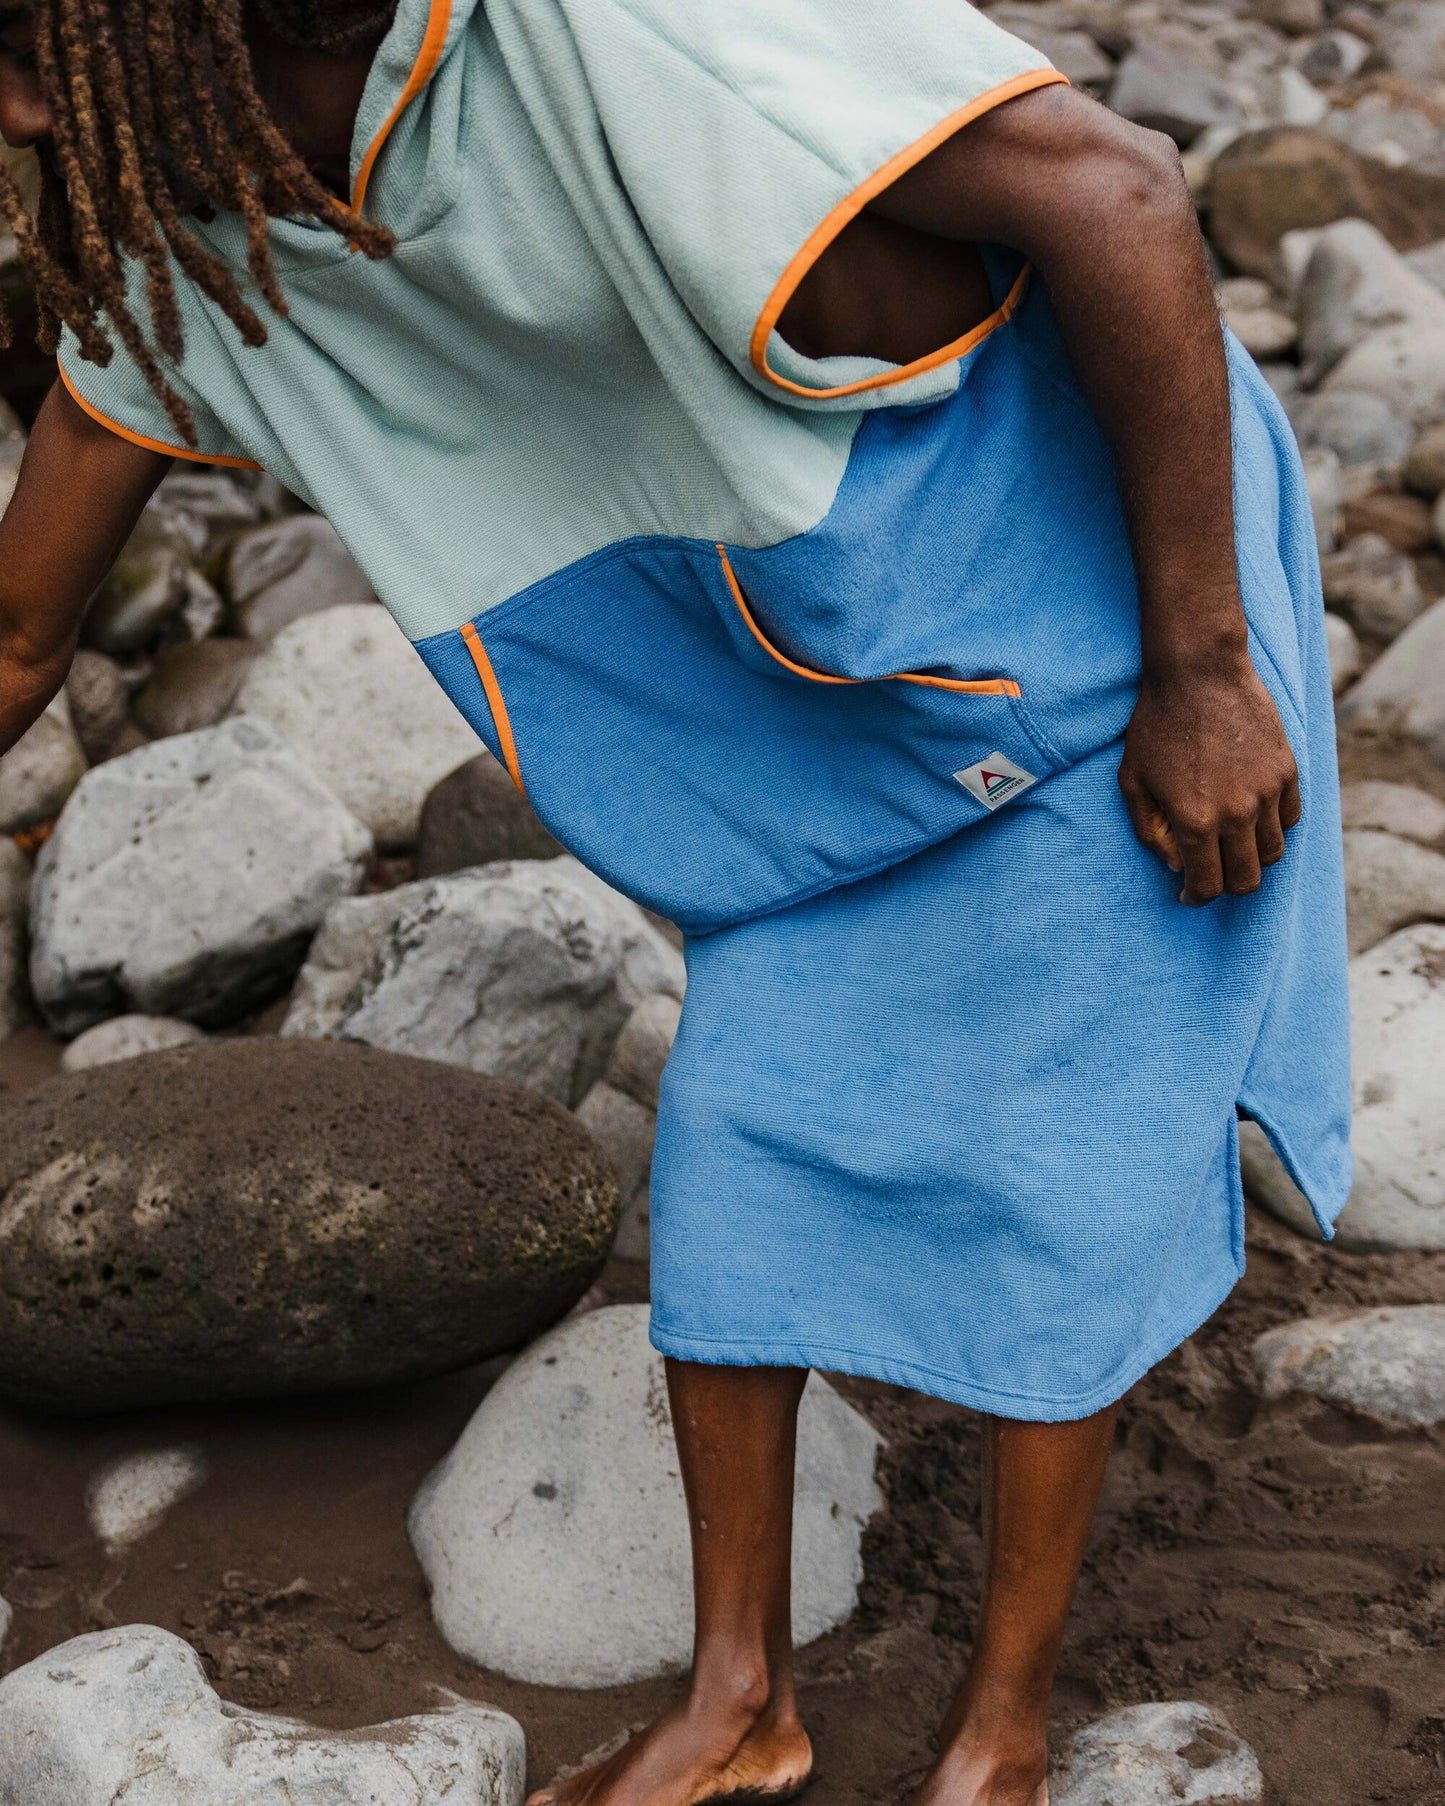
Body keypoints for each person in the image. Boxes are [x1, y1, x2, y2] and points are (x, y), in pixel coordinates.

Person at [0, 0, 1350, 1801]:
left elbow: (1118, 189)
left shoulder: (604, 33)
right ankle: (742, 1703)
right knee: (737, 1153)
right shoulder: (185, 250)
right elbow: (20, 629)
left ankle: (1002, 1728)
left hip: (1093, 607)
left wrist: (1205, 669)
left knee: (1065, 1180)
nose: (16, 125)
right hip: (795, 743)